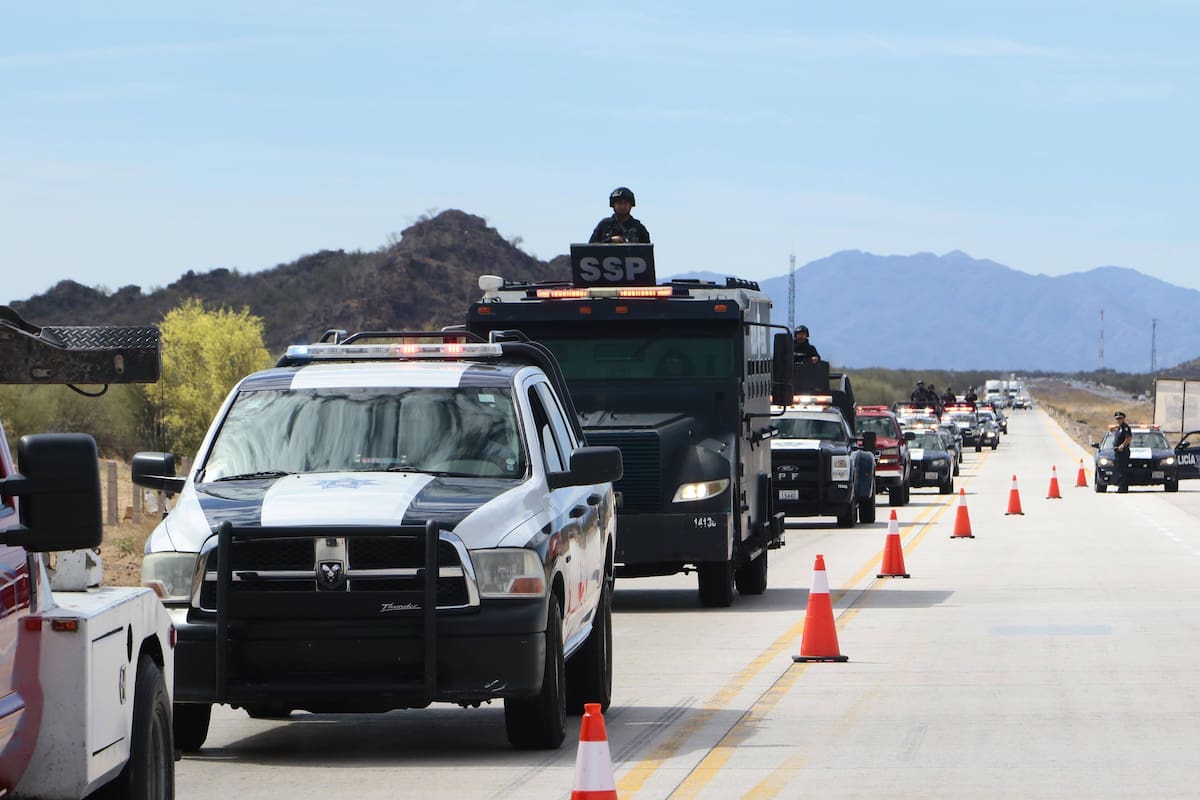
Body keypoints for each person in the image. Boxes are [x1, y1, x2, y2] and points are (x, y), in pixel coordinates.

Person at [1112, 411, 1133, 493]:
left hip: (1123, 452)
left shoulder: (1125, 427)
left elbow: (1129, 437)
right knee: (1119, 470)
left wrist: (1122, 445)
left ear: (1123, 419)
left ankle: (1123, 488)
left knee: (1123, 470)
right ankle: (1121, 487)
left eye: (1120, 418)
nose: (1118, 420)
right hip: (1118, 452)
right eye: (1117, 419)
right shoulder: (1119, 428)